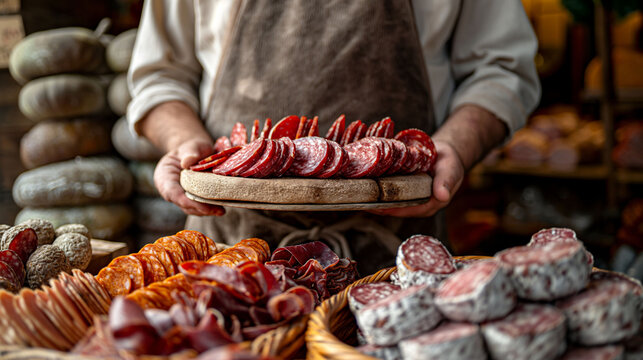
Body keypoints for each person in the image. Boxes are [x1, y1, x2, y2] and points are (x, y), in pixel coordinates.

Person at [127, 0, 540, 274]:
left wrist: (456, 146)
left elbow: (500, 70)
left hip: (399, 260)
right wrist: (184, 141)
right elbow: (160, 76)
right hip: (233, 253)